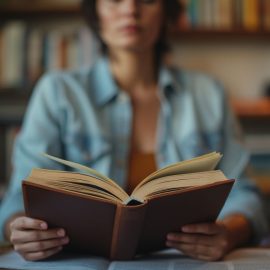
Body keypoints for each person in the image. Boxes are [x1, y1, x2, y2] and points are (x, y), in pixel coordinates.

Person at [0, 0, 268, 262]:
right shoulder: (57, 92)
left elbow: (244, 193)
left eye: (148, 0)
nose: (131, 8)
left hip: (183, 261)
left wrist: (230, 232)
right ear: (97, 13)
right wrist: (19, 229)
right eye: (115, 0)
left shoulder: (209, 94)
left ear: (166, 11)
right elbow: (19, 195)